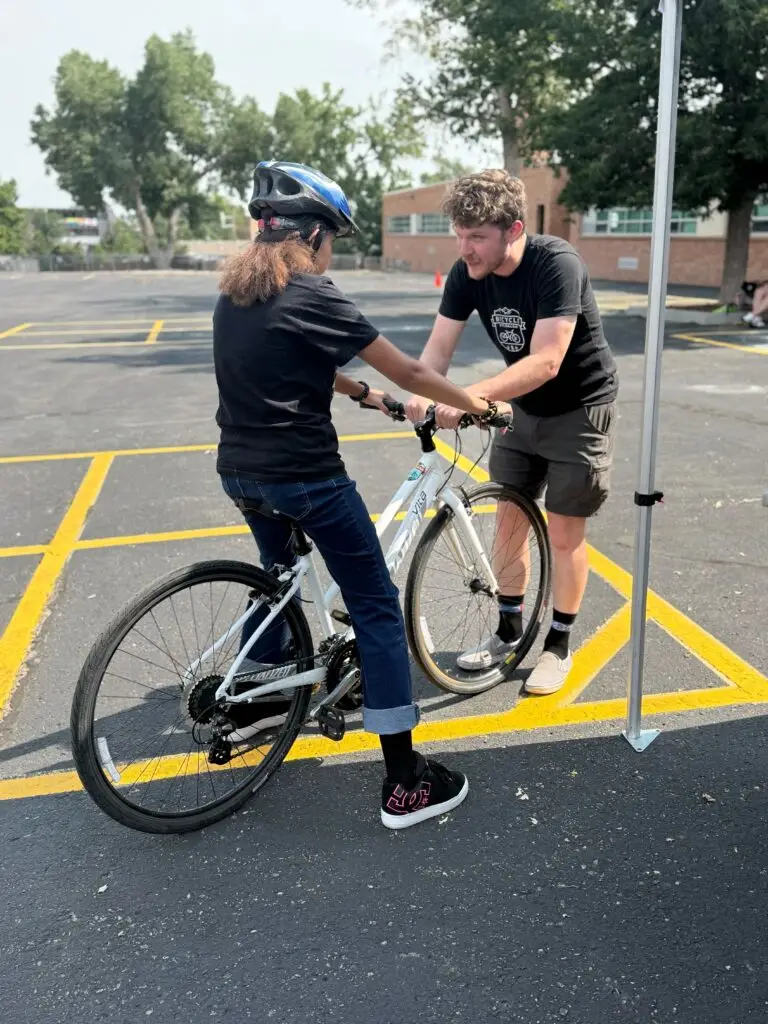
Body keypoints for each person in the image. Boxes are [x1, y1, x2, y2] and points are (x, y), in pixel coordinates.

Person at [212, 160, 512, 829]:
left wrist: (365, 396)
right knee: (377, 609)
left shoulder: (236, 292)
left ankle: (244, 698)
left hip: (240, 472)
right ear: (313, 235)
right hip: (306, 478)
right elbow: (406, 367)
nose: (333, 252)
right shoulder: (317, 294)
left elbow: (305, 361)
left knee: (281, 581)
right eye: (333, 240)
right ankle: (406, 783)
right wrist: (476, 404)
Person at [405, 170, 619, 696]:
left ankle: (558, 647)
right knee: (508, 522)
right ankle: (507, 633)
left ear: (514, 229)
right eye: (459, 235)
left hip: (578, 408)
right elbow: (437, 350)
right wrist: (423, 390)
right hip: (519, 409)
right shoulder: (467, 273)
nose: (465, 248)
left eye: (476, 236)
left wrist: (467, 398)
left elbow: (547, 361)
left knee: (565, 535)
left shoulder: (557, 265)